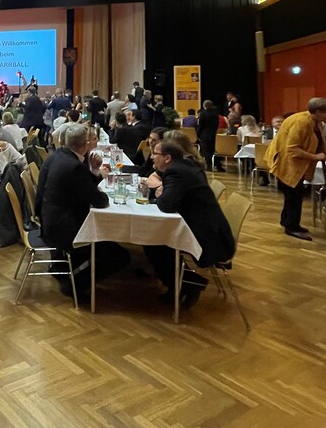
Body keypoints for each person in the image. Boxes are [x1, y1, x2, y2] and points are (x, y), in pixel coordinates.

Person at [143, 139, 235, 310]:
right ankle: (180, 284)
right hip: (209, 228)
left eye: (155, 153)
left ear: (167, 158)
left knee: (152, 240)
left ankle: (189, 283)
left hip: (208, 237)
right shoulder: (182, 167)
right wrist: (161, 192)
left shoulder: (176, 172)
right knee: (154, 239)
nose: (151, 157)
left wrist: (158, 192)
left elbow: (166, 205)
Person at [34, 123, 123, 298]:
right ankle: (76, 285)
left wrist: (93, 171)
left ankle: (65, 268)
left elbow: (82, 187)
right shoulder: (74, 166)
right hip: (62, 228)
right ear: (84, 145)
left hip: (48, 218)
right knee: (119, 255)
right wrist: (96, 175)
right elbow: (99, 201)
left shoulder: (57, 155)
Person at [266, 97, 326, 241]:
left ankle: (287, 221)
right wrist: (315, 157)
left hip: (297, 165)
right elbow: (292, 149)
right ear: (318, 111)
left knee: (293, 195)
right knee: (294, 195)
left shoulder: (316, 122)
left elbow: (322, 142)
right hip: (288, 164)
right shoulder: (301, 122)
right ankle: (292, 227)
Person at [197, 100, 224, 172]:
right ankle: (218, 166)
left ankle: (209, 166)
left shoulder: (203, 113)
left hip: (204, 134)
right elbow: (216, 124)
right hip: (213, 134)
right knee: (214, 150)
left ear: (204, 106)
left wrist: (198, 134)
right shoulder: (215, 113)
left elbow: (200, 125)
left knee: (206, 151)